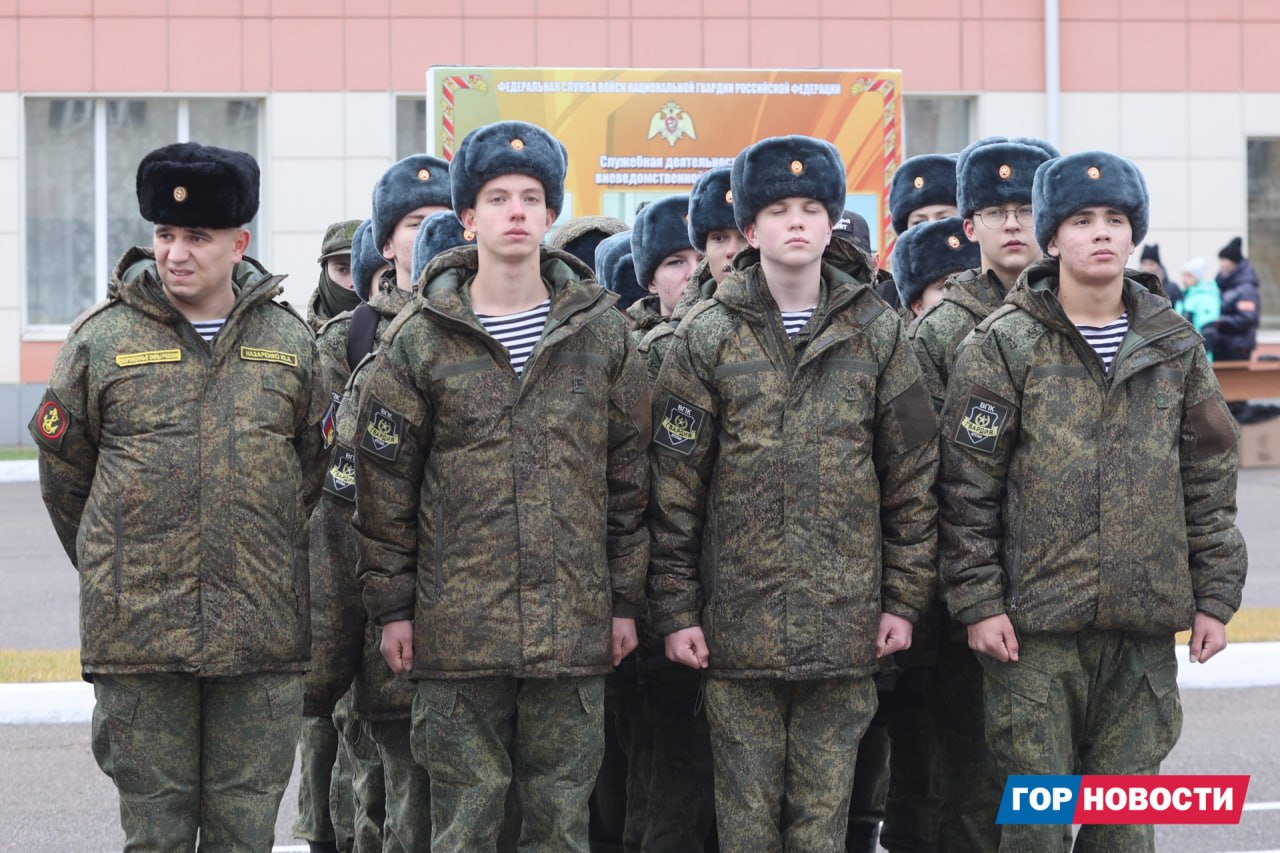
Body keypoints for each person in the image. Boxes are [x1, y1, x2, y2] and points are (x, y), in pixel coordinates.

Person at [352, 120, 650, 852]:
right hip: (457, 634)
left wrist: (623, 601)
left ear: (550, 214)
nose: (515, 212)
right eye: (497, 198)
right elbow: (385, 494)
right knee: (464, 828)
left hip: (571, 628)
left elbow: (629, 482)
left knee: (559, 827)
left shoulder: (602, 335)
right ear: (468, 217)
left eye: (530, 198)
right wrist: (393, 608)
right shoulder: (420, 339)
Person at [938, 150, 1247, 853]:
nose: (1101, 232)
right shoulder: (1004, 345)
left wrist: (1214, 596)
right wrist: (979, 602)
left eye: (1115, 219)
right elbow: (966, 488)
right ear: (1051, 238)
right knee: (1038, 823)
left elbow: (1208, 477)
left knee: (1122, 823)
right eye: (1081, 220)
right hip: (1034, 635)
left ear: (1134, 234)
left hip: (1140, 630)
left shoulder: (1174, 345)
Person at [30, 141, 329, 849]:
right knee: (155, 836)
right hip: (140, 638)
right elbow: (65, 477)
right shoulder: (100, 341)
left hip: (259, 639)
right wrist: (117, 565)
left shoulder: (289, 343)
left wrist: (256, 551)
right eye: (165, 234)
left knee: (243, 835)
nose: (176, 253)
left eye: (197, 237)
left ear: (238, 243)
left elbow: (311, 471)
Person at [648, 134, 938, 852]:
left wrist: (902, 600)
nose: (797, 222)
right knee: (746, 827)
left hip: (844, 630)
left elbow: (911, 479)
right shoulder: (707, 336)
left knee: (821, 827)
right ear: (750, 230)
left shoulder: (878, 333)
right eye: (778, 210)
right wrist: (678, 610)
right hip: (736, 634)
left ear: (833, 222)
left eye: (812, 208)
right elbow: (675, 490)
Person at [898, 135, 1057, 853]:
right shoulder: (940, 330)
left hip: (1064, 595)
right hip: (969, 602)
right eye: (996, 212)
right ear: (970, 227)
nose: (1013, 224)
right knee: (973, 789)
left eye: (1025, 208)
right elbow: (918, 472)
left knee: (1060, 793)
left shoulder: (1092, 313)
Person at [628, 194, 698, 342]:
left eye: (703, 260)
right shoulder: (631, 348)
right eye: (676, 262)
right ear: (652, 282)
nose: (694, 272)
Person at [306, 219, 363, 332]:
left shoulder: (394, 333)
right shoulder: (302, 335)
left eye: (361, 270)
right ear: (325, 273)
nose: (353, 283)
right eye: (342, 270)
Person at [1212, 236, 1261, 363]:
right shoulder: (1223, 286)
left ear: (1234, 262)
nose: (1221, 264)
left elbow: (1246, 318)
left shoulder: (1246, 289)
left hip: (1236, 349)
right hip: (1222, 346)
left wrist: (1218, 322)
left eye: (1224, 260)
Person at [1174, 256, 1221, 353]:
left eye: (1189, 275)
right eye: (1183, 275)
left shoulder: (1206, 298)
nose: (1184, 279)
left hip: (1199, 356)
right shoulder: (1184, 297)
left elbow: (1208, 334)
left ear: (1197, 276)